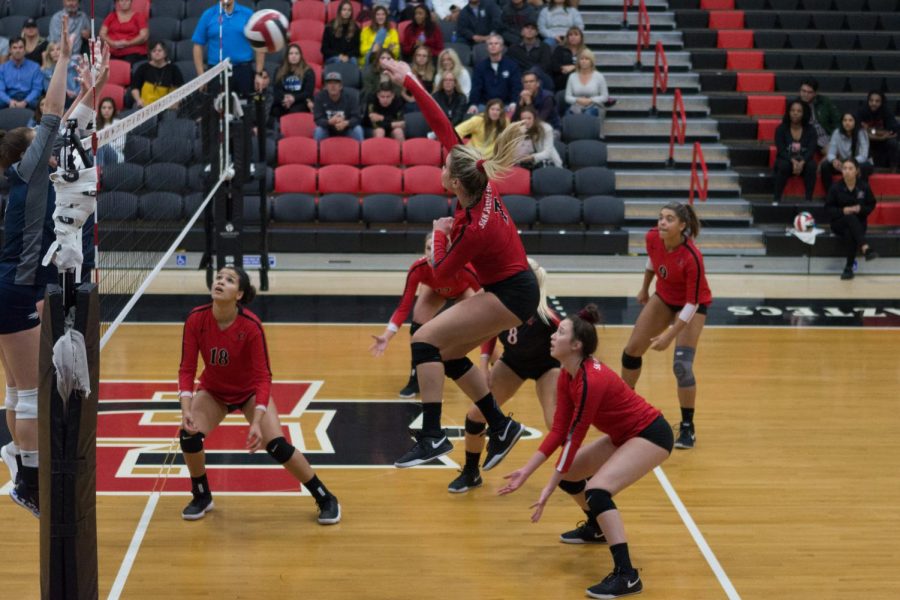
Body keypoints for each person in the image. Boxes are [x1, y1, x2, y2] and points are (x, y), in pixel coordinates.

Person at [382, 57, 531, 470]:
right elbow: (441, 120)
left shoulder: (471, 227)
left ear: (456, 183)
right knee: (444, 354)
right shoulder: (476, 182)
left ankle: (432, 437)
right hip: (510, 288)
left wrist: (441, 234)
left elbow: (444, 276)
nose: (442, 166)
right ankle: (500, 426)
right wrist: (407, 78)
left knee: (424, 340)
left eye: (445, 167)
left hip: (511, 292)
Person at [498, 304, 673, 599]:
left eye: (561, 332)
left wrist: (547, 489)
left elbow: (575, 438)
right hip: (623, 434)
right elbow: (558, 431)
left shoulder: (592, 379)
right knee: (572, 476)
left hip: (650, 434)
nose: (553, 336)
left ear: (576, 345)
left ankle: (627, 575)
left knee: (597, 491)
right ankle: (597, 527)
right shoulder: (568, 375)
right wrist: (526, 472)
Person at [178, 266, 341, 523]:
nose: (220, 281)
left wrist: (256, 421)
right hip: (214, 391)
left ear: (239, 294)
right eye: (219, 277)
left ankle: (325, 497)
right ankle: (202, 495)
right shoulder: (196, 319)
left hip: (249, 392)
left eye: (229, 280)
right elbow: (187, 369)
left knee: (276, 445)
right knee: (189, 436)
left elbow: (263, 377)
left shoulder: (251, 326)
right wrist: (186, 408)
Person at [0, 13, 75, 518]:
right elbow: (51, 112)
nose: (44, 141)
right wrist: (64, 59)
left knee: (14, 386)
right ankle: (27, 478)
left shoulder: (26, 178)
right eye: (38, 138)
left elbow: (61, 121)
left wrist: (87, 90)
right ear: (28, 151)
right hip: (17, 290)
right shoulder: (28, 171)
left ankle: (19, 460)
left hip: (13, 286)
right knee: (28, 393)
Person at [449, 258, 559, 493]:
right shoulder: (505, 305)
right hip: (513, 364)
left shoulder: (548, 316)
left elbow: (573, 344)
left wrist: (576, 375)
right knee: (475, 414)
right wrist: (484, 363)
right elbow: (490, 331)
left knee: (554, 421)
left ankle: (579, 471)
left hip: (547, 367)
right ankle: (471, 473)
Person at [620, 202, 711, 450]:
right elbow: (652, 261)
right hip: (664, 298)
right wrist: (644, 288)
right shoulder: (653, 237)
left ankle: (687, 427)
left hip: (691, 306)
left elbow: (692, 304)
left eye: (669, 219)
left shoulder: (692, 257)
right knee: (631, 352)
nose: (662, 223)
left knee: (681, 366)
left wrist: (669, 336)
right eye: (661, 217)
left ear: (682, 226)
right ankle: (625, 410)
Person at [369, 232, 481, 398]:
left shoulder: (463, 267)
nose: (431, 253)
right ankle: (416, 377)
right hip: (435, 291)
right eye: (428, 248)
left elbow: (487, 296)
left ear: (447, 251)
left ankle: (491, 363)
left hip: (462, 290)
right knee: (418, 328)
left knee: (481, 323)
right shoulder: (418, 268)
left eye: (436, 249)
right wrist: (387, 336)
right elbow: (403, 307)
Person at [192, 0, 267, 98]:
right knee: (217, 110)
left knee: (245, 110)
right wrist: (201, 76)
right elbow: (197, 45)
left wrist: (259, 73)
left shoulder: (248, 14)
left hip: (243, 71)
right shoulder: (208, 15)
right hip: (216, 72)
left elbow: (260, 45)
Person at [826, 158, 878, 280]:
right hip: (839, 223)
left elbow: (871, 205)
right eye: (844, 168)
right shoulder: (835, 187)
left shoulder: (864, 187)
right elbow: (828, 209)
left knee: (850, 232)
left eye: (850, 168)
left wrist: (860, 209)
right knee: (849, 218)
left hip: (859, 224)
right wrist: (842, 211)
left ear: (857, 171)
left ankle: (848, 269)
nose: (847, 171)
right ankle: (865, 248)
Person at [772, 99, 817, 202]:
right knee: (783, 165)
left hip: (804, 161)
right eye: (792, 110)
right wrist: (792, 160)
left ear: (804, 113)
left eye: (799, 111)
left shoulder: (811, 130)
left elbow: (811, 149)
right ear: (788, 112)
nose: (795, 113)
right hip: (786, 160)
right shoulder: (781, 129)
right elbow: (781, 150)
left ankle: (808, 199)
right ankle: (776, 199)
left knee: (812, 166)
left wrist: (802, 162)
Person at [468, 34, 521, 114]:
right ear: (487, 47)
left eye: (496, 43)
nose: (493, 46)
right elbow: (476, 88)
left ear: (502, 47)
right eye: (490, 44)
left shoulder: (512, 66)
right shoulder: (480, 67)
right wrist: (473, 104)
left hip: (506, 105)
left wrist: (513, 102)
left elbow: (516, 87)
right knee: (473, 112)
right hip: (485, 105)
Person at [821, 112, 872, 193]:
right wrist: (834, 160)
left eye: (850, 120)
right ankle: (830, 194)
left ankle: (860, 194)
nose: (847, 123)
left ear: (855, 122)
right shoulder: (837, 133)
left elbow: (864, 155)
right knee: (825, 165)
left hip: (859, 162)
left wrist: (851, 162)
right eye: (845, 120)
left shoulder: (861, 132)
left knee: (864, 166)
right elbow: (831, 153)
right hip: (843, 163)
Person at [312, 71, 364, 142]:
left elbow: (357, 117)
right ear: (326, 86)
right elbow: (318, 119)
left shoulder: (351, 97)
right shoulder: (319, 97)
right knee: (319, 131)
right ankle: (317, 152)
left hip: (346, 128)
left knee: (357, 130)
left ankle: (361, 152)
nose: (333, 86)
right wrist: (329, 122)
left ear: (341, 86)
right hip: (328, 129)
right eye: (330, 83)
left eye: (336, 83)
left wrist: (346, 123)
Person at [130, 41, 183, 108]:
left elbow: (179, 88)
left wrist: (175, 102)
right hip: (145, 104)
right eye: (154, 51)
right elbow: (134, 88)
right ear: (150, 54)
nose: (157, 53)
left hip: (167, 105)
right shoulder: (143, 68)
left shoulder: (173, 69)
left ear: (165, 53)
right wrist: (138, 100)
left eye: (159, 50)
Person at [565, 48, 610, 125]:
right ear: (578, 61)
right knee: (569, 116)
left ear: (591, 62)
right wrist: (578, 100)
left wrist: (591, 100)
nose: (584, 61)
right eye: (581, 59)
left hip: (595, 106)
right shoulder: (572, 76)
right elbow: (567, 97)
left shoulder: (599, 76)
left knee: (587, 116)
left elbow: (605, 97)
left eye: (587, 59)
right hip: (576, 105)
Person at [271, 43, 316, 120]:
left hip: (300, 102)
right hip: (284, 101)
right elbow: (276, 90)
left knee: (293, 112)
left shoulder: (308, 71)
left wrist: (294, 98)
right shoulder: (279, 70)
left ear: (300, 56)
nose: (293, 56)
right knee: (274, 111)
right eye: (291, 53)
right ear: (287, 56)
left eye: (296, 53)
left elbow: (308, 92)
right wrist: (285, 99)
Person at [857, 90, 899, 171]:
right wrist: (880, 134)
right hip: (867, 140)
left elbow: (892, 131)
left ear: (881, 102)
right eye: (871, 100)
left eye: (877, 101)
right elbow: (858, 131)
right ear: (868, 101)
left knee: (893, 143)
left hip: (883, 142)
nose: (874, 103)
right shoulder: (862, 111)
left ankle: (894, 169)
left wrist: (870, 130)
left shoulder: (886, 112)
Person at [506, 21, 553, 90]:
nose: (530, 30)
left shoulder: (545, 47)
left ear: (537, 33)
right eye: (527, 28)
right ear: (522, 32)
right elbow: (509, 63)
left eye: (533, 28)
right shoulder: (513, 48)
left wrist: (530, 72)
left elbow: (544, 66)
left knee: (536, 71)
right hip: (520, 77)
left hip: (539, 77)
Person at [99, 0, 149, 65]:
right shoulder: (111, 16)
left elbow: (144, 36)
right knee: (106, 66)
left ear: (131, 2)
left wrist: (128, 43)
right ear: (118, 3)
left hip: (133, 52)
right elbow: (102, 33)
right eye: (121, 0)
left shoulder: (139, 16)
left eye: (126, 0)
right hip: (113, 51)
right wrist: (112, 43)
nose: (124, 2)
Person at [0, 38, 43, 110]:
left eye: (20, 47)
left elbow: (37, 89)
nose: (18, 50)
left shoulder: (35, 67)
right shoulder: (2, 68)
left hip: (29, 98)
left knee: (43, 106)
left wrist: (25, 101)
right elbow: (0, 90)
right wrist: (9, 101)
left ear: (25, 50)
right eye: (14, 48)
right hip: (9, 97)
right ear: (10, 50)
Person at [799, 77, 839, 153]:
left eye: (809, 92)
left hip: (824, 135)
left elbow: (837, 120)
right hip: (807, 136)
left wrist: (835, 137)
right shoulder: (795, 105)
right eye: (803, 91)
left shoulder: (824, 102)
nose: (806, 94)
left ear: (815, 93)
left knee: (835, 150)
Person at [549, 26, 586, 92]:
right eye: (570, 35)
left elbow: (589, 66)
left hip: (581, 78)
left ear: (581, 37)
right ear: (567, 37)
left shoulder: (585, 51)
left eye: (576, 34)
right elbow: (554, 65)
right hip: (562, 79)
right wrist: (563, 68)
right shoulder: (560, 49)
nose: (573, 37)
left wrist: (574, 67)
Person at [95, 97, 125, 165]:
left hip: (116, 156)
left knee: (100, 144)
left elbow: (120, 145)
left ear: (113, 110)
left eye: (109, 108)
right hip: (98, 155)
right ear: (100, 110)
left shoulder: (119, 124)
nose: (106, 110)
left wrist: (105, 143)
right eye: (104, 108)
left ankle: (99, 172)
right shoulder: (95, 125)